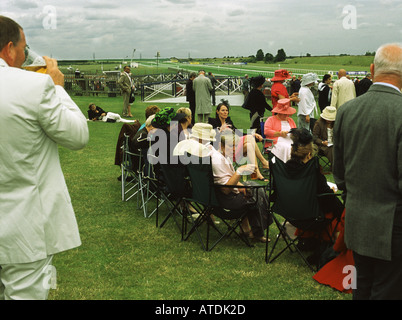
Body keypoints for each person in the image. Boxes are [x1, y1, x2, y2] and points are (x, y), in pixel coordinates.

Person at [0, 16, 89, 300]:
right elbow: (77, 136)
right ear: (9, 48)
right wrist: (57, 87)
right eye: (24, 50)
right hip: (23, 227)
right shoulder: (34, 87)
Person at [333, 43, 402, 300]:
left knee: (362, 288)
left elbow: (338, 173)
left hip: (358, 221)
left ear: (372, 70)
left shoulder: (347, 111)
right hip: (393, 226)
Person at [285, 128, 344, 264]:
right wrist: (333, 197)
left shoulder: (286, 168)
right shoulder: (312, 171)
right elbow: (327, 198)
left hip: (291, 213)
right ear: (310, 153)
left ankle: (310, 239)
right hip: (311, 217)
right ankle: (332, 243)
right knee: (338, 210)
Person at [208, 100, 269, 180]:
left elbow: (239, 133)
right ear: (217, 111)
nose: (225, 112)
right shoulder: (213, 122)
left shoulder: (229, 122)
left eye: (226, 110)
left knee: (249, 145)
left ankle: (256, 172)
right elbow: (212, 140)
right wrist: (220, 131)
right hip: (223, 151)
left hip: (234, 150)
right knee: (249, 140)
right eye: (222, 110)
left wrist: (252, 134)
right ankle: (264, 162)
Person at [263, 98, 297, 163]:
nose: (286, 115)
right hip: (275, 142)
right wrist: (280, 133)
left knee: (301, 148)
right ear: (279, 112)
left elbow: (295, 131)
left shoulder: (290, 120)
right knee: (288, 148)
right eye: (284, 113)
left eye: (287, 113)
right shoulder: (271, 119)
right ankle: (287, 165)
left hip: (291, 140)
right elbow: (266, 131)